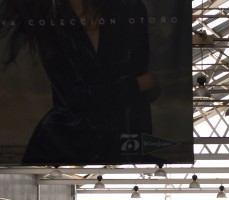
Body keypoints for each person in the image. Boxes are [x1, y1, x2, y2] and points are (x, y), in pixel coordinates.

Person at [0, 0, 160, 165]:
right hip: (61, 147)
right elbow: (77, 98)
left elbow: (138, 98)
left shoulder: (130, 10)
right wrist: (142, 84)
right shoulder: (48, 19)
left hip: (123, 144)